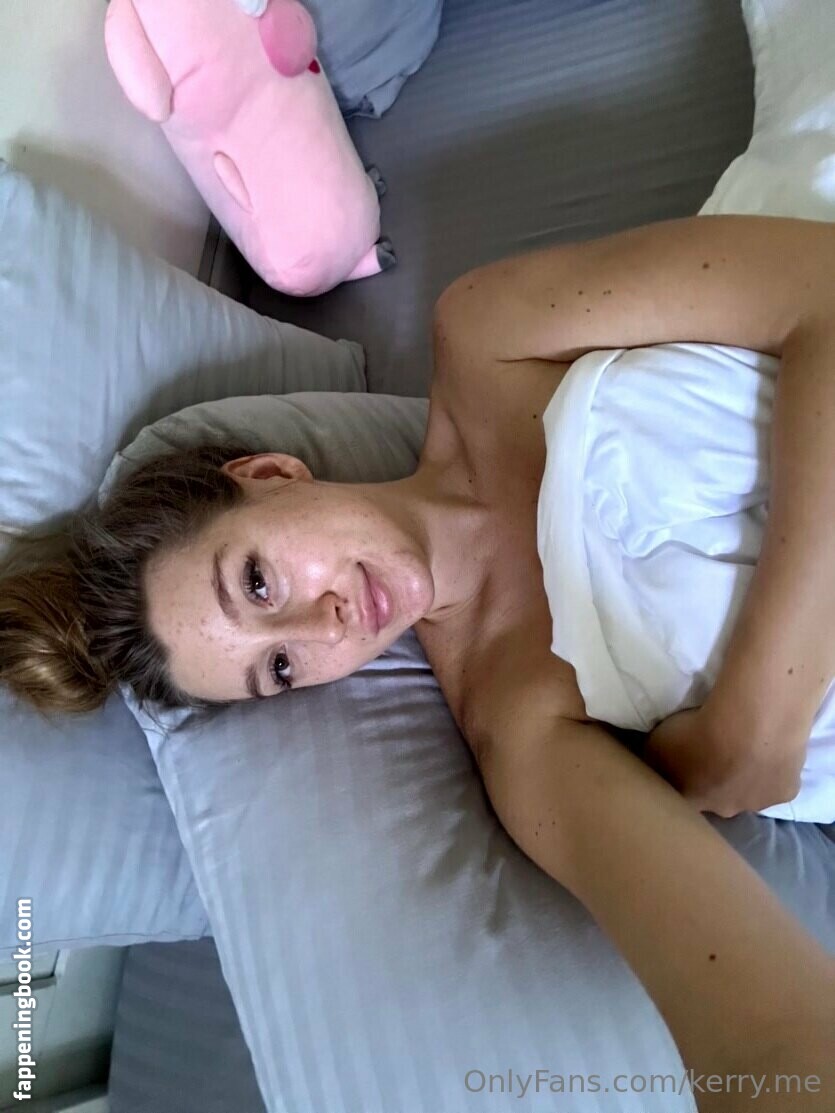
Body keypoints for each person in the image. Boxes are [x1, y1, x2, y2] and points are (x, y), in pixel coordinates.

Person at [2, 213, 834, 1110]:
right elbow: (764, 1035)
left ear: (271, 474)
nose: (322, 628)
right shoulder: (526, 740)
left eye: (257, 581)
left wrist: (758, 713)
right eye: (279, 668)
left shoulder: (487, 336)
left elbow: (820, 289)